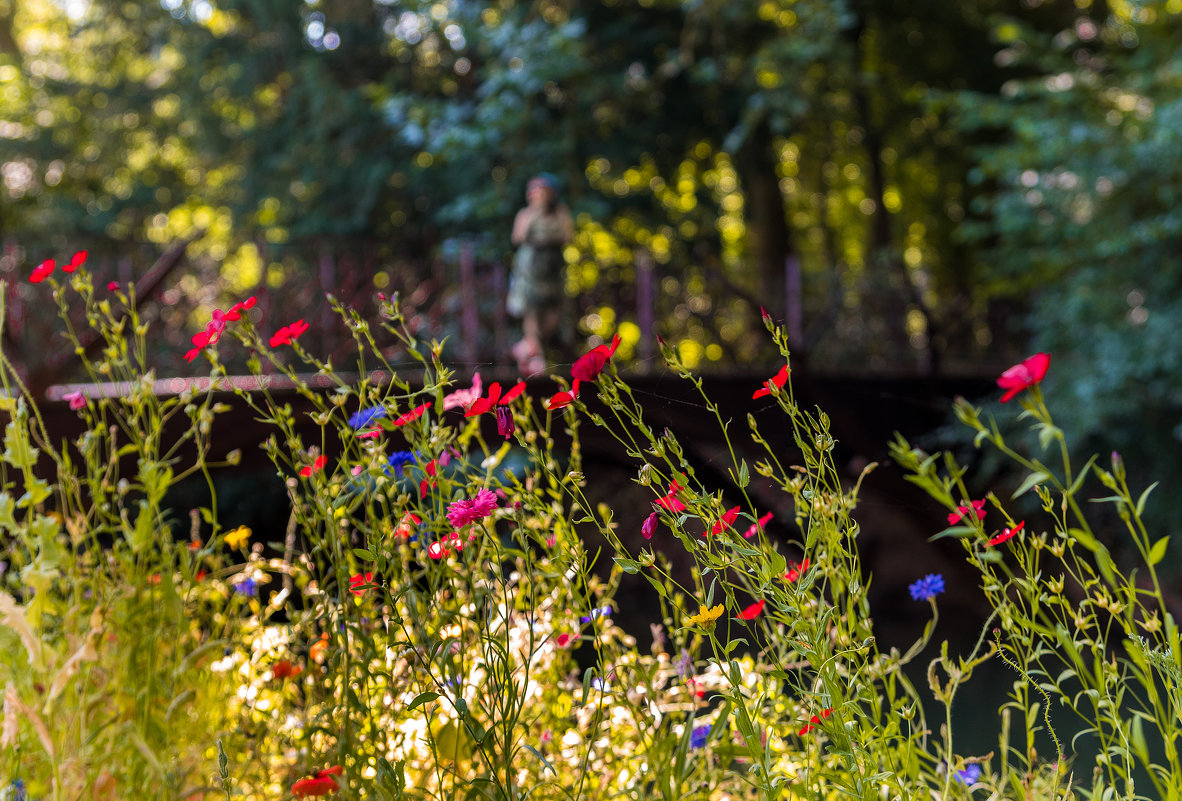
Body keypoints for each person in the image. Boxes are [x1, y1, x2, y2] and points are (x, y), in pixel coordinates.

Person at [507, 174, 573, 374]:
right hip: (529, 271)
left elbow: (568, 236)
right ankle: (536, 357)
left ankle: (525, 347)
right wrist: (535, 215)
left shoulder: (560, 212)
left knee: (553, 315)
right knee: (531, 311)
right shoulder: (525, 214)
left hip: (552, 270)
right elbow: (518, 237)